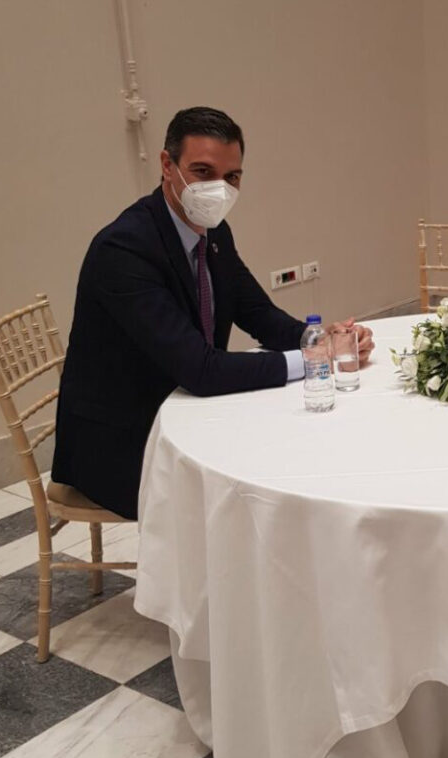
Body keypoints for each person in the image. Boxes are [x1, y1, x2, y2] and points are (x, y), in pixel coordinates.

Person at [51, 107, 373, 519]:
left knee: (298, 449)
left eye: (232, 177)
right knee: (256, 489)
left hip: (189, 410)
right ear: (167, 165)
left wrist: (319, 339)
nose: (218, 189)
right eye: (203, 171)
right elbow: (200, 370)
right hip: (123, 444)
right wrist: (315, 359)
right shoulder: (124, 249)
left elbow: (257, 312)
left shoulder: (215, 231)